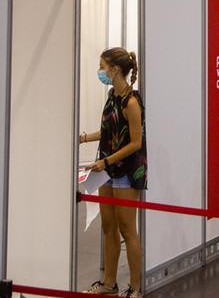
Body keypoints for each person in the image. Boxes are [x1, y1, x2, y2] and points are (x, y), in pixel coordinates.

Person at [81, 48, 146, 298]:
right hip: (106, 169)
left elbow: (135, 142)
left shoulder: (131, 102)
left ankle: (136, 288)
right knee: (108, 226)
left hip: (126, 171)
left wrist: (107, 160)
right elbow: (107, 131)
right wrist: (84, 138)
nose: (101, 72)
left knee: (128, 229)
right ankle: (109, 282)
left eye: (102, 66)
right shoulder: (111, 96)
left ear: (115, 69)